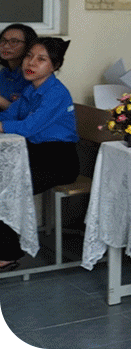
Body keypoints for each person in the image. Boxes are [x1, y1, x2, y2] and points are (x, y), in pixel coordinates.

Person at [0, 37, 78, 270]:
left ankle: (8, 254)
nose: (30, 62)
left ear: (54, 65)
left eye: (41, 59)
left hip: (58, 160)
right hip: (33, 153)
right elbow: (10, 116)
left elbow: (28, 127)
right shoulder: (30, 89)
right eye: (29, 56)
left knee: (9, 188)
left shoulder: (56, 93)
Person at [0, 23, 36, 109]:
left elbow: (28, 114)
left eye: (14, 42)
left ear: (28, 46)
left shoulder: (33, 76)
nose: (5, 46)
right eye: (3, 40)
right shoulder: (4, 72)